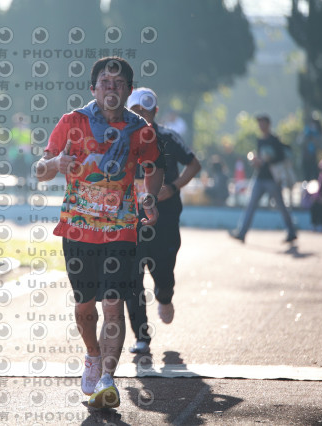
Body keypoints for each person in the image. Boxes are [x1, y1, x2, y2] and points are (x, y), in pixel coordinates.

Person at [36, 57, 165, 409]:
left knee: (113, 303)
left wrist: (149, 196)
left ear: (128, 90)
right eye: (105, 82)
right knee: (85, 306)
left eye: (119, 83)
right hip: (78, 229)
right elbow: (40, 170)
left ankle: (108, 378)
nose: (112, 88)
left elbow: (154, 167)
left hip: (121, 230)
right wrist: (55, 163)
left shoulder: (141, 130)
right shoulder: (72, 122)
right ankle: (92, 354)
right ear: (93, 88)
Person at [124, 88, 201, 354]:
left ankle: (165, 296)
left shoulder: (168, 137)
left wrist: (174, 187)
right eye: (136, 111)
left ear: (155, 111)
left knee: (164, 274)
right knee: (132, 279)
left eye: (146, 110)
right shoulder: (120, 139)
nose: (141, 115)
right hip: (130, 222)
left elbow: (194, 164)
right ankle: (141, 336)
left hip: (165, 220)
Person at [229, 114, 298, 243]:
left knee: (281, 206)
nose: (260, 126)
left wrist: (268, 160)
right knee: (250, 205)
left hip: (272, 180)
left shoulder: (274, 140)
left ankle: (292, 231)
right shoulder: (260, 141)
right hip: (260, 177)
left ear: (268, 124)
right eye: (259, 123)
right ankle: (242, 233)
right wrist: (257, 161)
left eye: (263, 123)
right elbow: (260, 159)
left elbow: (281, 157)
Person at [298, 115, 322, 181]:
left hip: (317, 158)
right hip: (306, 157)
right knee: (307, 176)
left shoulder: (320, 134)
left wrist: (316, 139)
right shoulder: (306, 132)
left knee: (317, 176)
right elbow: (299, 142)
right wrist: (306, 135)